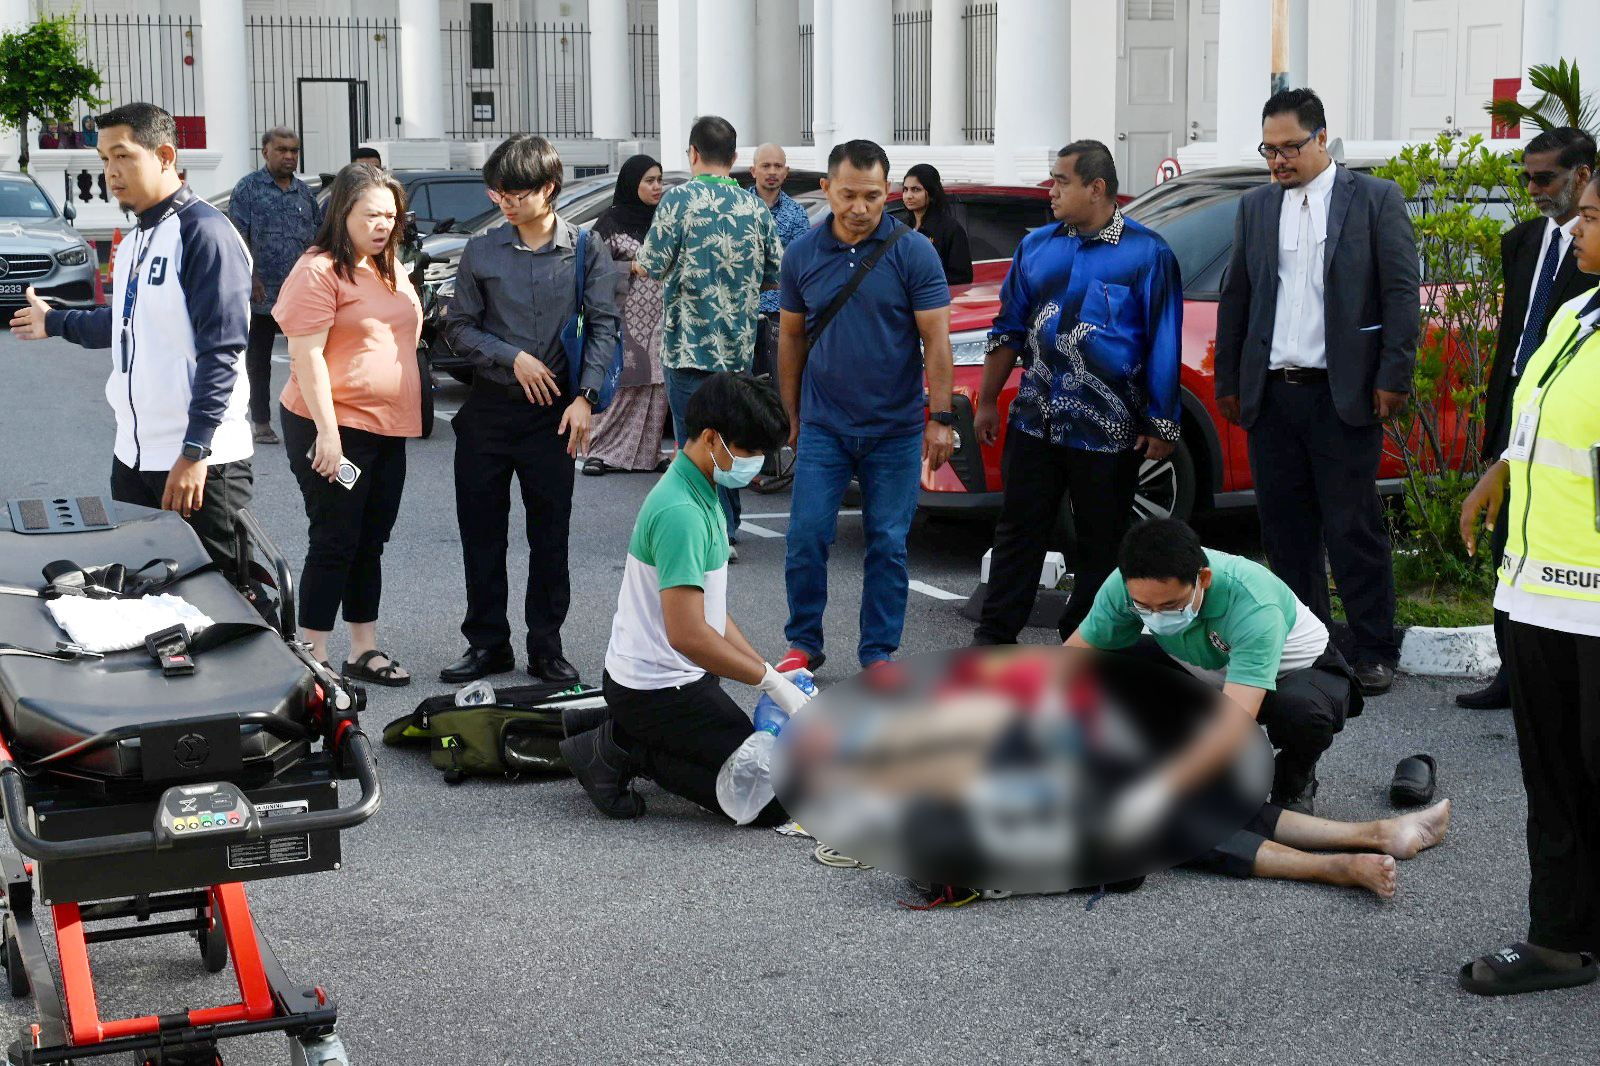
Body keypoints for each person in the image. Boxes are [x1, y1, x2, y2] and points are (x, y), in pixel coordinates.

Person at [1067, 519, 1449, 887]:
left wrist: (1159, 788)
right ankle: (1374, 836)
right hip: (1207, 677)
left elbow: (1233, 724)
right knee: (1183, 801)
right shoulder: (1124, 586)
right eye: (1143, 607)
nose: (1156, 617)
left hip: (1293, 678)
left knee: (1297, 713)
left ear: (1203, 579)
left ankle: (1296, 784)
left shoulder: (1253, 602)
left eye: (1169, 606)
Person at [1214, 88, 1419, 696]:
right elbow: (1237, 297)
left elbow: (1401, 294)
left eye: (1289, 148)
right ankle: (1311, 646)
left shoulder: (1374, 199)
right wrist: (1230, 381)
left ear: (1321, 138)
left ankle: (1375, 648)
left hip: (1342, 394)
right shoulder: (1255, 207)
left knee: (1353, 526)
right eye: (1268, 150)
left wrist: (1393, 377)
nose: (1277, 161)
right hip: (1274, 395)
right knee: (1285, 531)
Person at [1455, 171, 1600, 997]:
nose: (1575, 228)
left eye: (1592, 216)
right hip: (1538, 589)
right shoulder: (1577, 314)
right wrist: (1499, 471)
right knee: (1554, 780)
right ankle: (1560, 938)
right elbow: (1537, 420)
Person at [9, 102, 253, 572]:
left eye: (122, 156)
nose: (110, 172)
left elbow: (223, 352)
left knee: (225, 597)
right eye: (104, 159)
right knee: (146, 591)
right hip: (134, 458)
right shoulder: (136, 239)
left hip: (199, 461)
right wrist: (54, 321)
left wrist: (195, 450)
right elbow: (126, 323)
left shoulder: (204, 233)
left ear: (165, 156)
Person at [563, 372, 812, 821]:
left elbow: (711, 610)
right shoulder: (681, 512)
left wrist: (769, 671)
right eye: (750, 452)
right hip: (655, 690)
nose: (756, 466)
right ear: (712, 438)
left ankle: (621, 729)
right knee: (772, 802)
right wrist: (768, 682)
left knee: (771, 773)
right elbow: (689, 635)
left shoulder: (702, 486)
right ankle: (620, 746)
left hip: (678, 677)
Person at [970, 140, 1183, 647]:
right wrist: (987, 400)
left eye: (1062, 181)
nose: (1051, 190)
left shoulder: (1148, 253)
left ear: (1097, 187)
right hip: (1034, 420)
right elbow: (1007, 328)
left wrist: (1162, 422)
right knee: (1018, 532)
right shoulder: (1037, 246)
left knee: (1102, 543)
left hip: (1107, 432)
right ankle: (995, 638)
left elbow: (1163, 339)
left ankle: (1086, 643)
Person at [439, 134, 622, 685]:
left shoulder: (587, 248)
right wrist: (511, 356)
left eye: (516, 193)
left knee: (550, 535)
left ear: (549, 188)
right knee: (482, 533)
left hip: (555, 415)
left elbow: (604, 327)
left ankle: (546, 646)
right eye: (498, 194)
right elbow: (457, 326)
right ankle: (487, 643)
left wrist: (586, 398)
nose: (506, 203)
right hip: (489, 409)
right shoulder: (481, 249)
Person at [775, 139, 954, 674]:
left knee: (888, 544)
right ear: (826, 189)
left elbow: (937, 341)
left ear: (887, 191)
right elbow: (791, 339)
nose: (860, 208)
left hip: (895, 429)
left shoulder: (913, 252)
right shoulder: (801, 253)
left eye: (872, 196)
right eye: (848, 195)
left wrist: (940, 418)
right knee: (806, 537)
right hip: (824, 425)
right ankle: (803, 643)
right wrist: (791, 413)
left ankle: (878, 653)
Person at [1457, 127, 1598, 711]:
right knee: (1507, 546)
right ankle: (1511, 672)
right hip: (1517, 411)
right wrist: (1498, 431)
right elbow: (1513, 341)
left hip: (1571, 419)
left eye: (1545, 178)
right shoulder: (1520, 242)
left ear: (1582, 174)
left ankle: (1552, 676)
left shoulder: (1590, 253)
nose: (1534, 189)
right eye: (1526, 178)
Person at [272, 164, 422, 686]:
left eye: (391, 216)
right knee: (335, 538)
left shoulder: (388, 265)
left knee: (369, 540)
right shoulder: (317, 270)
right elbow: (307, 357)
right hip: (332, 425)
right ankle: (313, 654)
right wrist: (328, 434)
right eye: (371, 215)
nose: (383, 225)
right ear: (342, 214)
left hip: (387, 427)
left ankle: (364, 649)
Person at [636, 115, 783, 562]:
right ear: (735, 158)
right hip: (737, 348)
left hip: (686, 346)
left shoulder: (678, 201)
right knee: (732, 437)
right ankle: (728, 528)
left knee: (693, 443)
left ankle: (705, 529)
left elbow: (651, 264)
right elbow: (776, 272)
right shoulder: (754, 206)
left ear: (693, 153)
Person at [230, 127, 323, 446]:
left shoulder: (304, 193)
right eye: (282, 150)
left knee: (309, 358)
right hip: (262, 291)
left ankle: (311, 419)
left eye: (294, 150)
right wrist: (251, 277)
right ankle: (261, 422)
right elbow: (237, 236)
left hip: (300, 292)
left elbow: (316, 239)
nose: (289, 156)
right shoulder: (248, 189)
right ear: (265, 152)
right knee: (259, 361)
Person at [582, 154, 671, 476]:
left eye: (659, 180)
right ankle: (599, 451)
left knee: (657, 384)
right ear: (633, 184)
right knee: (622, 380)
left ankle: (649, 454)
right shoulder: (611, 222)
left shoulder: (666, 221)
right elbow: (592, 268)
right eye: (649, 181)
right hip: (624, 318)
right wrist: (630, 267)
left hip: (662, 319)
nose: (657, 186)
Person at [902, 163, 972, 285]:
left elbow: (962, 278)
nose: (908, 196)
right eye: (905, 189)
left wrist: (923, 282)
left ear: (931, 193)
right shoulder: (901, 227)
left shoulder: (950, 229)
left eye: (916, 190)